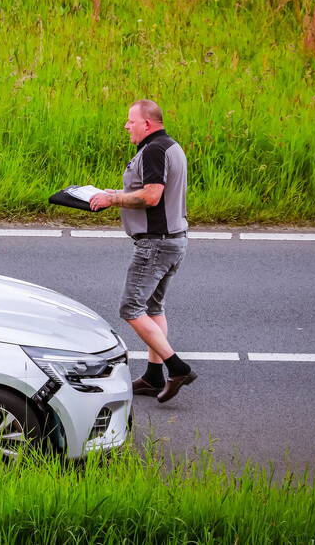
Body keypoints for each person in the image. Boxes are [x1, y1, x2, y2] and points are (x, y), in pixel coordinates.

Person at [90, 99, 196, 403]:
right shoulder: (170, 146)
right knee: (153, 308)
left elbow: (151, 197)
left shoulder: (153, 151)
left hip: (156, 243)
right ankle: (152, 376)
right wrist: (115, 194)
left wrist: (113, 200)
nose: (126, 126)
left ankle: (177, 368)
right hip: (173, 239)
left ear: (147, 124)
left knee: (130, 308)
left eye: (130, 121)